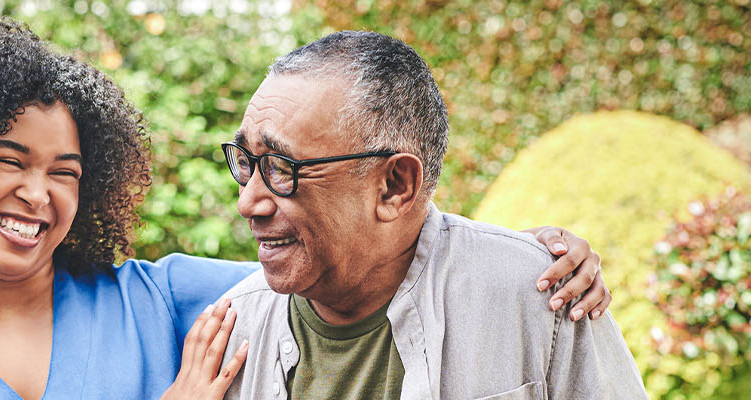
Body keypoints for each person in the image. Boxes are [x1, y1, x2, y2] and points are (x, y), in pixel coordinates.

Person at [0, 19, 611, 399]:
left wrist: (531, 258)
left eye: (66, 170)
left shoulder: (161, 299)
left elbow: (357, 255)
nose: (40, 194)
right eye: (8, 161)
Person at [215, 31, 646, 399]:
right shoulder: (231, 330)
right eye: (247, 162)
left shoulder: (542, 297)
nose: (248, 202)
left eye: (280, 167)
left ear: (395, 186)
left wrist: (522, 260)